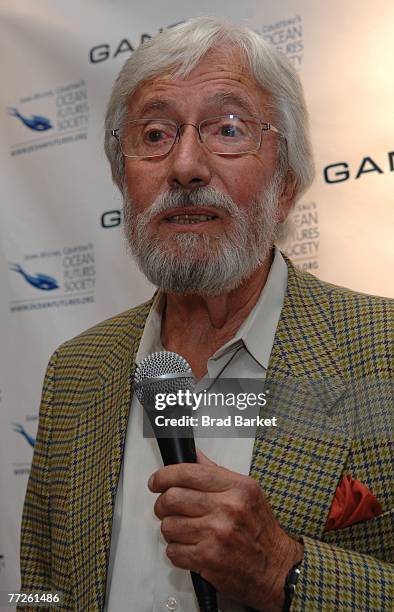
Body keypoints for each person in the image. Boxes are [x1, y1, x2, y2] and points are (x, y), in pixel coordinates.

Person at [19, 17, 393, 612]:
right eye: (155, 133)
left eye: (228, 127)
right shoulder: (75, 372)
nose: (185, 165)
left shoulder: (384, 350)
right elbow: (40, 587)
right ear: (123, 182)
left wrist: (286, 571)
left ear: (288, 181)